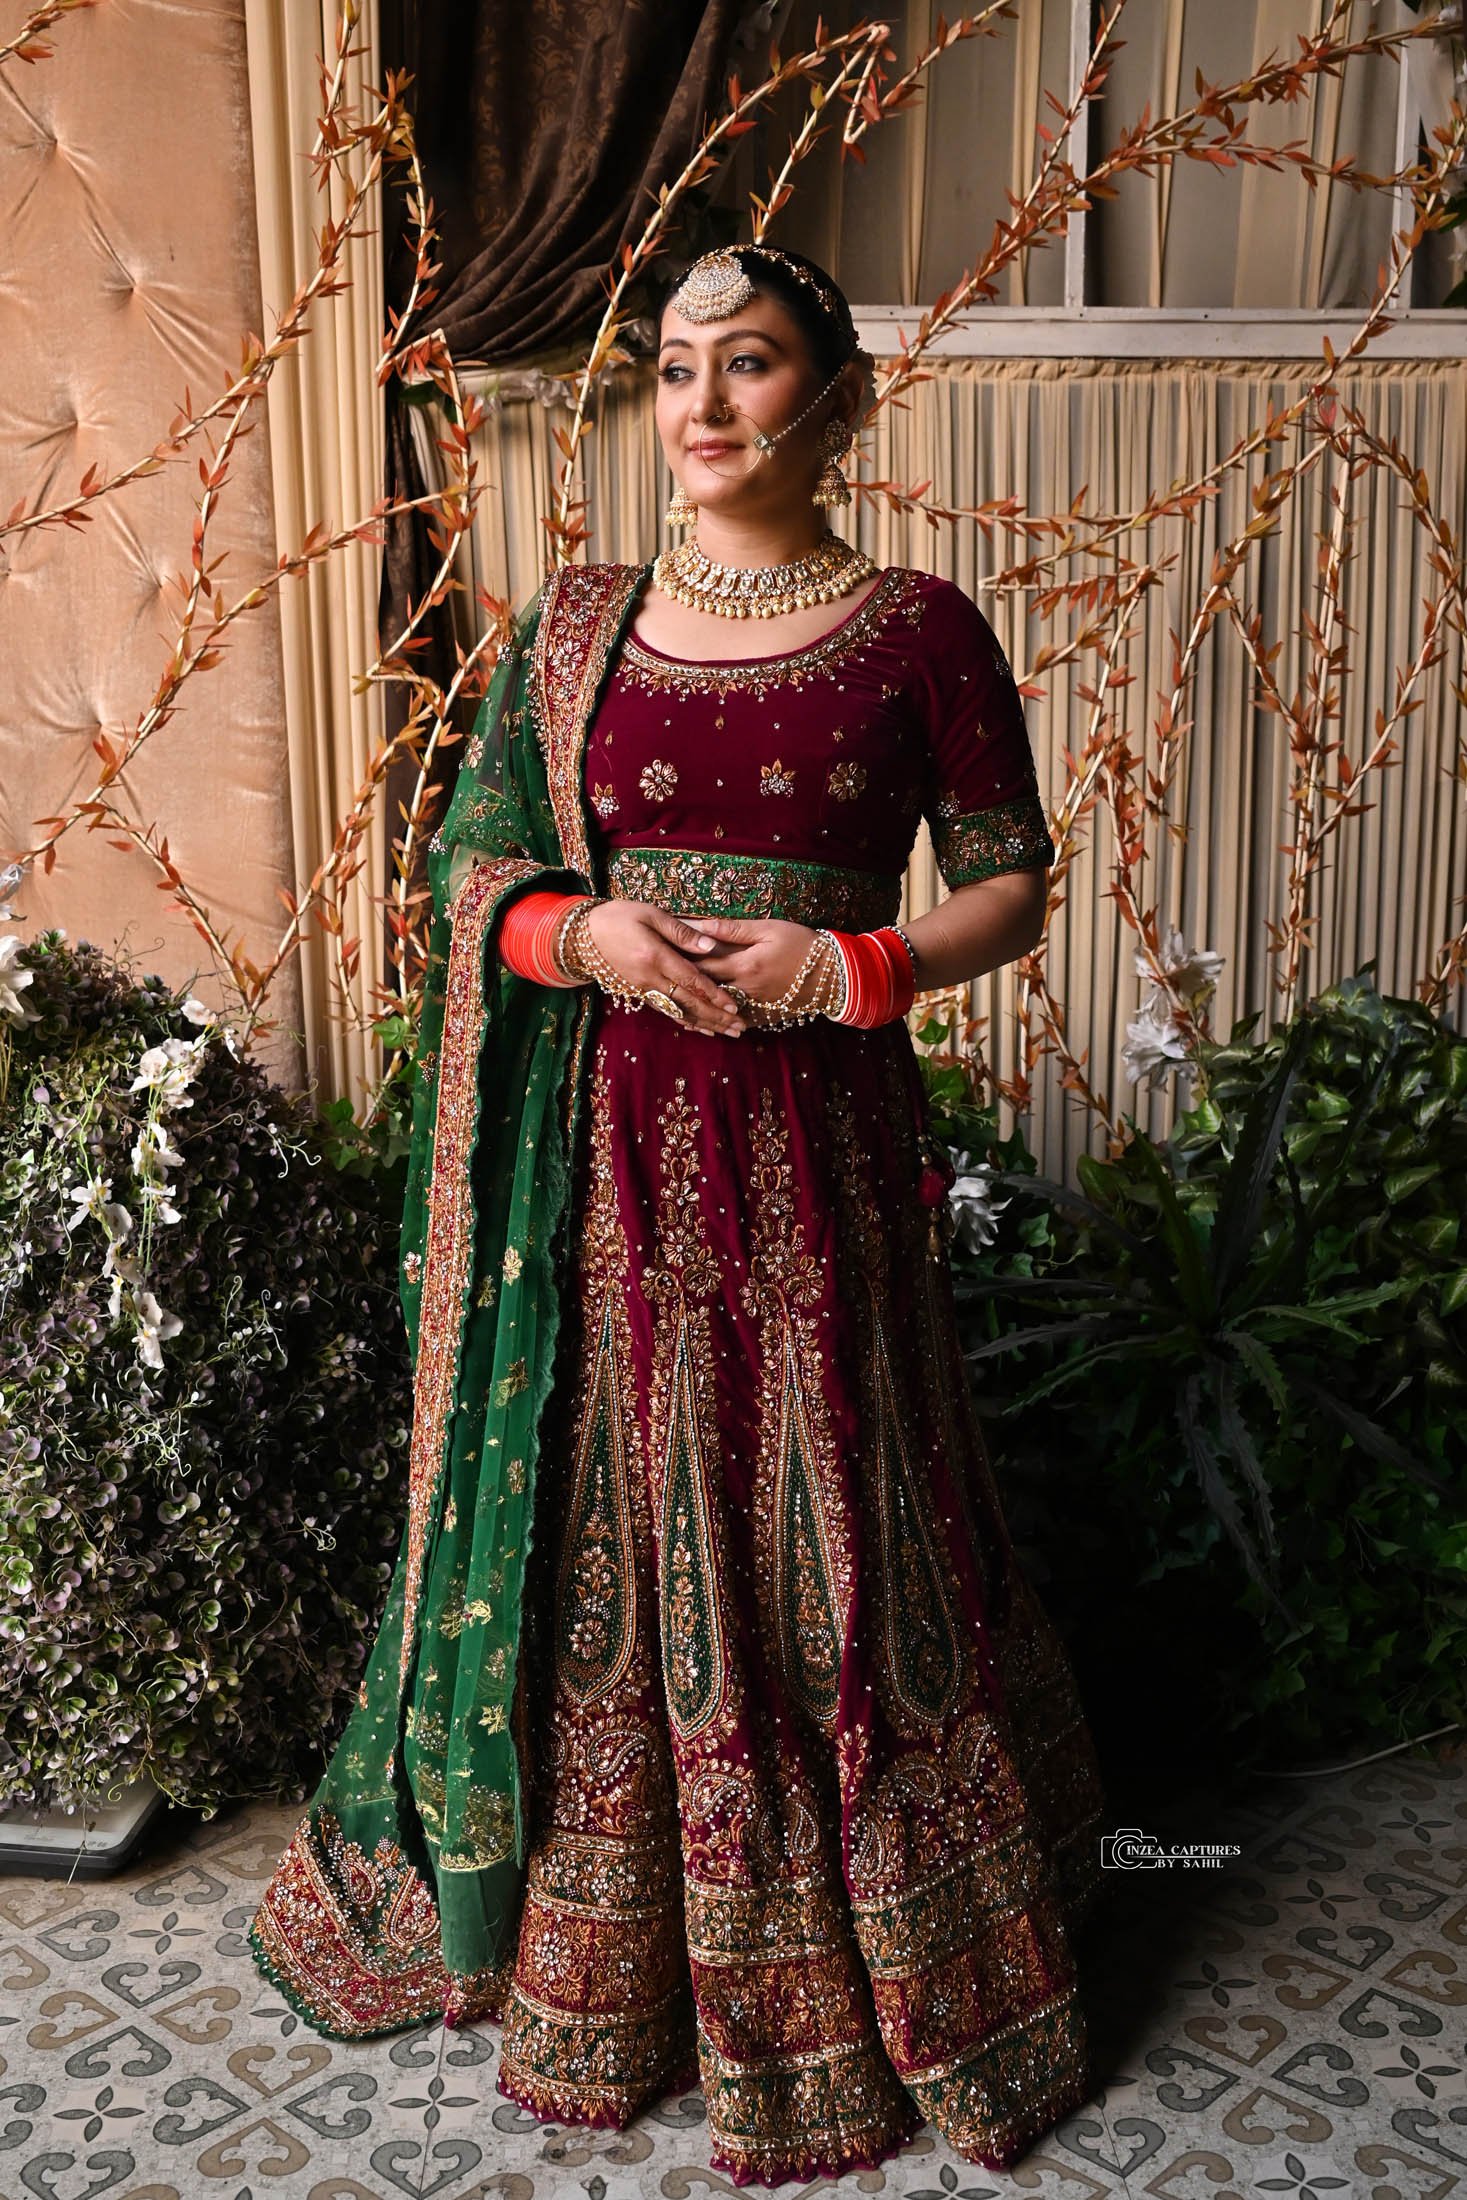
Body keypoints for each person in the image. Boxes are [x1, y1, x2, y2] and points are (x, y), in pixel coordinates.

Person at [250, 243, 1105, 2185]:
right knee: (643, 1517)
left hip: (820, 1145)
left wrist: (850, 967)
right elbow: (471, 873)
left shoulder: (914, 627)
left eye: (749, 363)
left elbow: (1007, 879)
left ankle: (919, 1963)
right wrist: (590, 926)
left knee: (843, 1492)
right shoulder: (579, 631)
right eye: (673, 368)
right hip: (619, 1154)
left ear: (835, 393)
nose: (701, 404)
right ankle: (628, 1969)